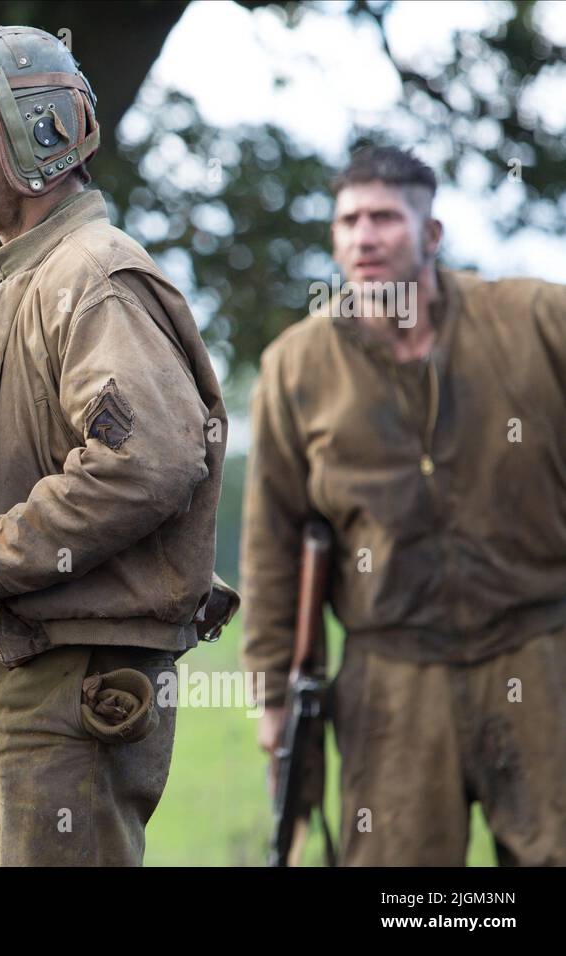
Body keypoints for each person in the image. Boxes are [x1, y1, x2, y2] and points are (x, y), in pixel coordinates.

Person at [0, 25, 234, 866]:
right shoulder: (27, 277)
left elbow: (147, 459)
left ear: (40, 131)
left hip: (71, 694)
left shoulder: (90, 277)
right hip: (26, 685)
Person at [242, 145, 566, 865]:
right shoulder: (296, 366)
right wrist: (271, 693)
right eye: (349, 220)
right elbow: (270, 542)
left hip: (539, 654)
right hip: (391, 676)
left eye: (386, 217)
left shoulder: (537, 319)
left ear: (432, 234)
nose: (364, 236)